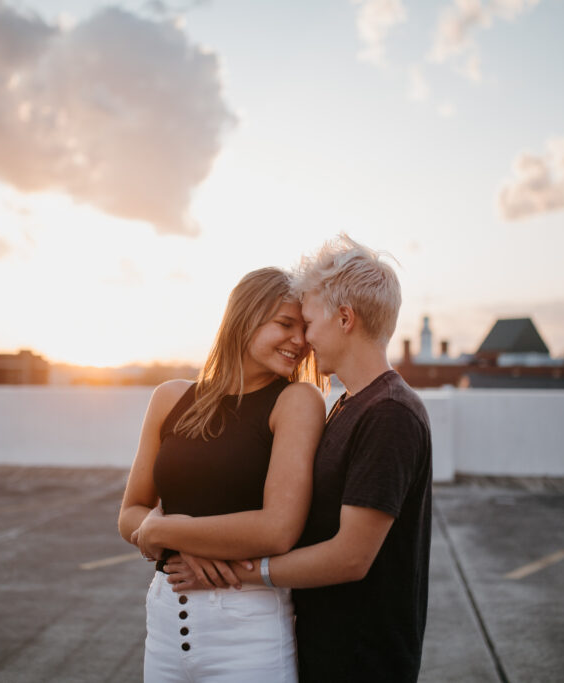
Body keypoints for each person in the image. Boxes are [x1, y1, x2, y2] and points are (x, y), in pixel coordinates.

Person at [164, 235, 433, 682]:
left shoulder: (389, 413)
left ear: (345, 318)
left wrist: (231, 573)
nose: (304, 339)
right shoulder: (352, 405)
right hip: (327, 651)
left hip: (364, 662)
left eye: (308, 322)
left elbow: (350, 558)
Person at [118, 266, 328, 682]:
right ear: (244, 317)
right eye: (285, 324)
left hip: (247, 629)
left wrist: (164, 532)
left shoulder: (297, 401)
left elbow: (277, 530)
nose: (300, 341)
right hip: (162, 623)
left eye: (303, 329)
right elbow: (130, 514)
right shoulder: (169, 398)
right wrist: (167, 534)